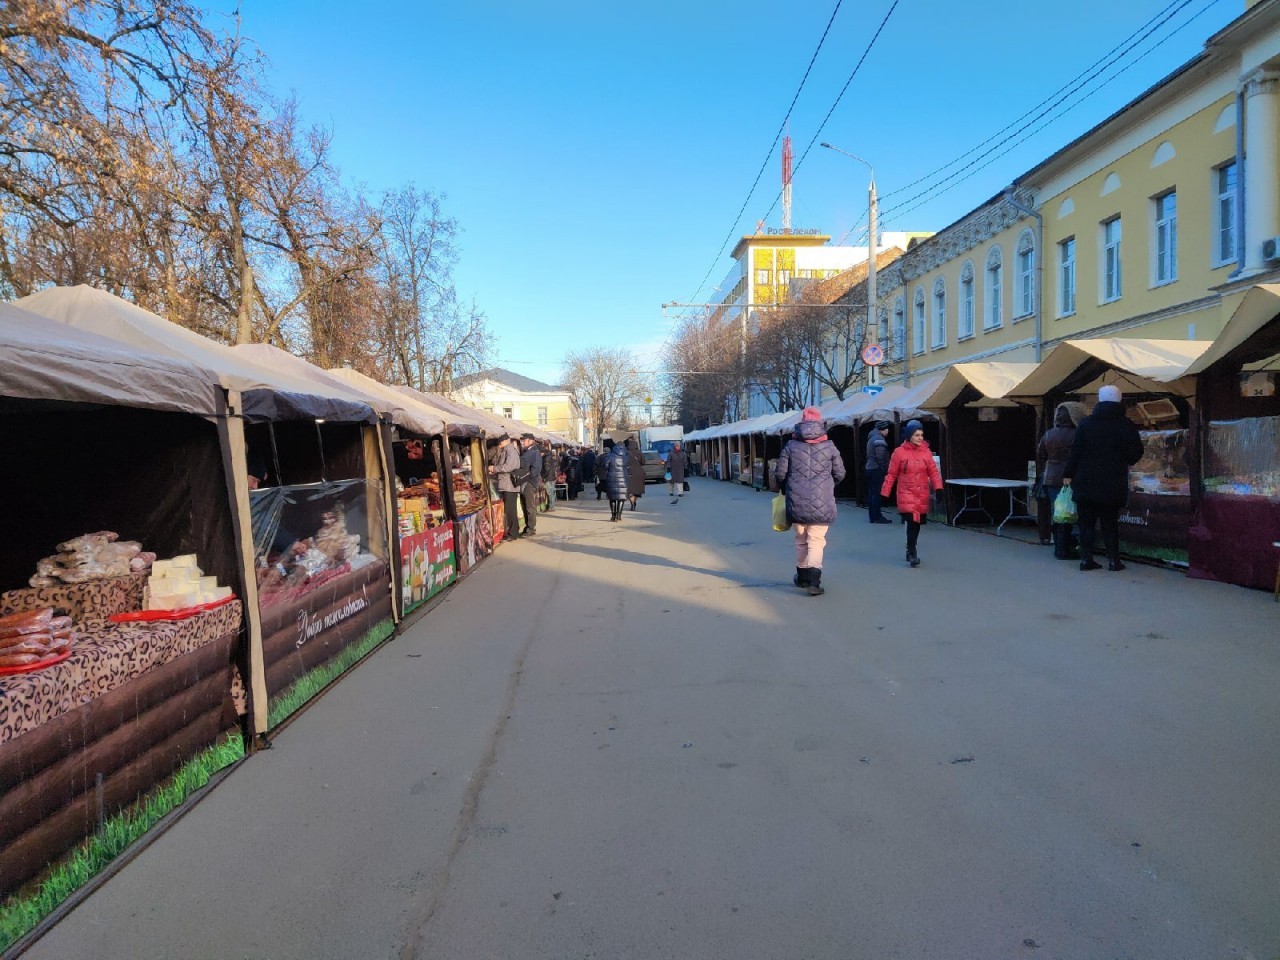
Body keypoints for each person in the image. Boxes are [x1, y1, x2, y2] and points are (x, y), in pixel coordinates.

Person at [1063, 384, 1143, 572]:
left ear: (1099, 400)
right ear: (1120, 400)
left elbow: (1075, 452)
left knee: (1086, 523)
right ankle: (1114, 561)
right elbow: (1136, 453)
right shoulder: (1126, 425)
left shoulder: (1086, 423)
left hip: (1085, 481)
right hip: (1113, 483)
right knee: (1110, 523)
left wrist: (1068, 474)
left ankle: (1085, 559)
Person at [774, 406, 846, 596]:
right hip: (823, 501)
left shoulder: (790, 446)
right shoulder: (830, 447)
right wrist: (828, 485)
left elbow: (780, 473)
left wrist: (787, 485)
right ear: (820, 424)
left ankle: (802, 577)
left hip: (796, 502)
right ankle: (814, 581)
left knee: (800, 540)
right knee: (816, 541)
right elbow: (840, 473)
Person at [881, 419, 943, 568]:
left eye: (921, 435)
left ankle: (910, 549)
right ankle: (912, 551)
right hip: (906, 493)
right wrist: (885, 492)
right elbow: (891, 474)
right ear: (909, 435)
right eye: (917, 435)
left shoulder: (926, 452)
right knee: (912, 522)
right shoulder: (899, 453)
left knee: (917, 524)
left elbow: (933, 472)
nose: (920, 438)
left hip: (921, 493)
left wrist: (939, 488)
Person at [1036, 401, 1087, 560]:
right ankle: (1071, 547)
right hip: (1073, 477)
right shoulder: (1078, 434)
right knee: (1074, 513)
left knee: (1058, 513)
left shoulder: (1049, 433)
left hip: (1051, 478)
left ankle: (1059, 547)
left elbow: (1040, 454)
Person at [487, 436, 522, 540]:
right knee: (509, 510)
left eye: (501, 442)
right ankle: (513, 531)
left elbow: (509, 466)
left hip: (509, 485)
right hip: (506, 484)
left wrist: (495, 469)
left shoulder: (510, 450)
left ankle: (513, 533)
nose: (499, 444)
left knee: (510, 510)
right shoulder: (507, 450)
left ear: (506, 441)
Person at [864, 421, 893, 523]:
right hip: (876, 469)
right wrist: (884, 468)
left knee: (872, 493)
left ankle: (873, 516)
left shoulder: (871, 438)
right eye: (887, 428)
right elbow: (880, 456)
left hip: (870, 468)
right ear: (883, 429)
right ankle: (878, 516)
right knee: (877, 494)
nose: (888, 430)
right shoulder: (879, 439)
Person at [518, 434, 542, 536]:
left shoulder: (535, 452)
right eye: (522, 440)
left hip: (529, 482)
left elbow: (535, 470)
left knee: (529, 506)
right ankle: (528, 526)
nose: (523, 442)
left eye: (525, 440)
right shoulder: (527, 452)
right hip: (524, 482)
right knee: (525, 505)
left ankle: (531, 527)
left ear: (531, 441)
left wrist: (527, 478)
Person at [600, 441, 630, 522]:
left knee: (612, 498)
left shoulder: (610, 455)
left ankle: (613, 516)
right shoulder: (625, 456)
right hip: (623, 479)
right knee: (621, 498)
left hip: (611, 478)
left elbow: (605, 465)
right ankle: (619, 515)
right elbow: (628, 467)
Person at [624, 437, 645, 510]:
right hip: (639, 473)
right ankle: (634, 502)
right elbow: (643, 462)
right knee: (637, 490)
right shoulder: (639, 452)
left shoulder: (626, 452)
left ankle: (632, 503)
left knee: (630, 490)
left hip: (628, 472)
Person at [540, 439, 557, 513]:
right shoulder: (550, 455)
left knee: (549, 492)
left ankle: (551, 507)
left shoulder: (546, 457)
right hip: (552, 476)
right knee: (552, 492)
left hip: (548, 477)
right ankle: (552, 506)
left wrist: (543, 476)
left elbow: (546, 468)